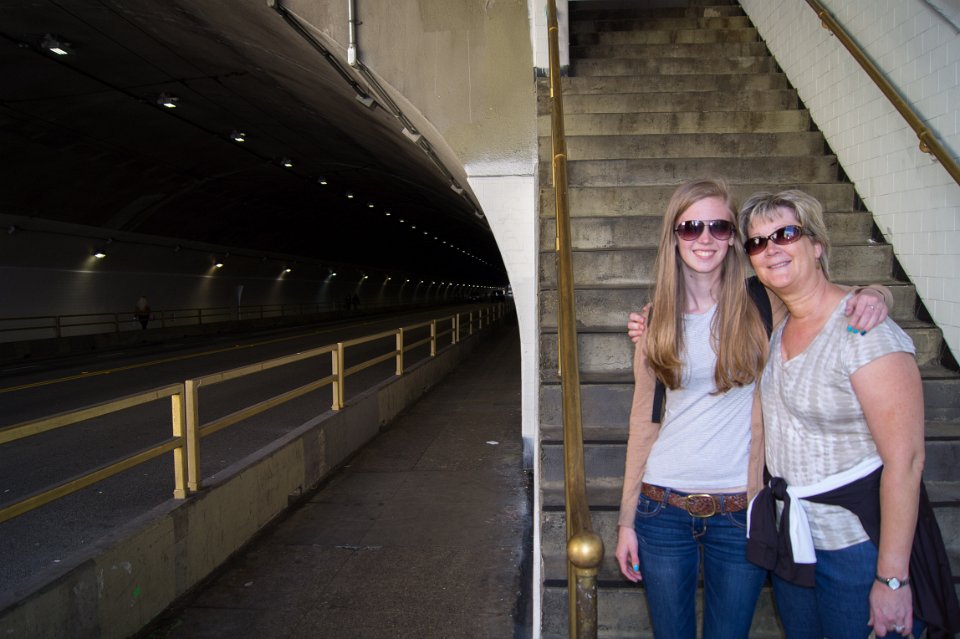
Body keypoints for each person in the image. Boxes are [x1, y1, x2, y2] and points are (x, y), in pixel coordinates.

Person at [615, 179, 893, 639]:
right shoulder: (655, 317)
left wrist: (877, 294)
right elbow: (643, 423)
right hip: (661, 509)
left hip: (740, 513)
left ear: (733, 239)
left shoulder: (765, 302)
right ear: (673, 236)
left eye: (719, 227)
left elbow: (828, 297)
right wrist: (627, 520)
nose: (705, 238)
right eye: (691, 227)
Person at [739, 190, 960, 638]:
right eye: (758, 242)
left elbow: (906, 461)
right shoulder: (778, 324)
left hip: (857, 545)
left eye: (785, 234)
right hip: (796, 540)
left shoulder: (865, 332)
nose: (771, 248)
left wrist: (891, 578)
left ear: (817, 244)